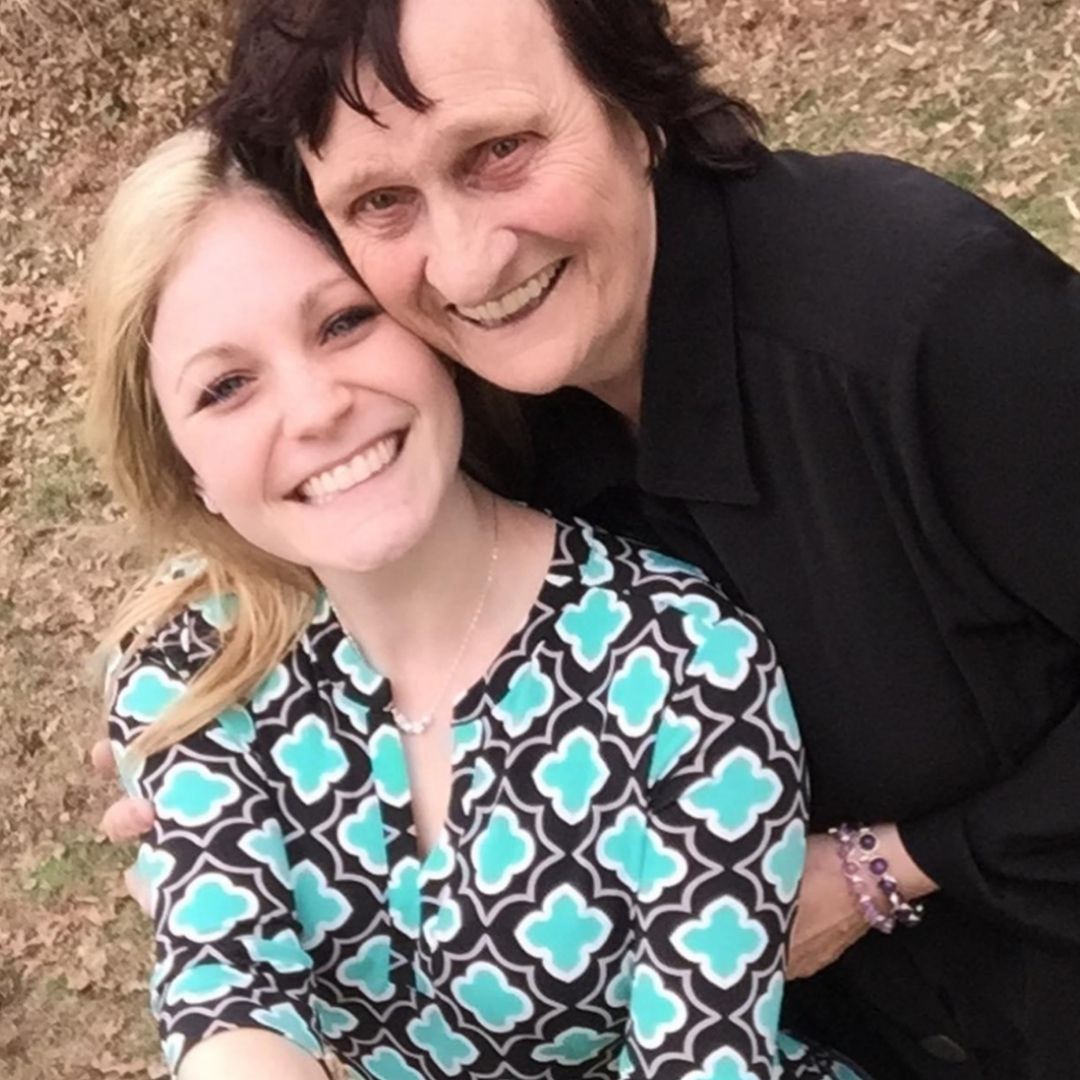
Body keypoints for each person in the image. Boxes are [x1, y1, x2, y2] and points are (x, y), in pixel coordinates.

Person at [94, 1, 1080, 1076]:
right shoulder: (491, 410)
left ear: (633, 100)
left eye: (501, 150)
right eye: (382, 201)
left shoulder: (925, 319)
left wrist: (888, 866)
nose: (466, 266)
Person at [86, 128, 867, 1080]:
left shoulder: (686, 668)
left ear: (429, 328)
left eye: (341, 323)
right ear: (186, 468)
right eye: (227, 386)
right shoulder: (193, 668)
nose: (316, 408)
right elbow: (227, 996)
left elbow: (701, 1062)